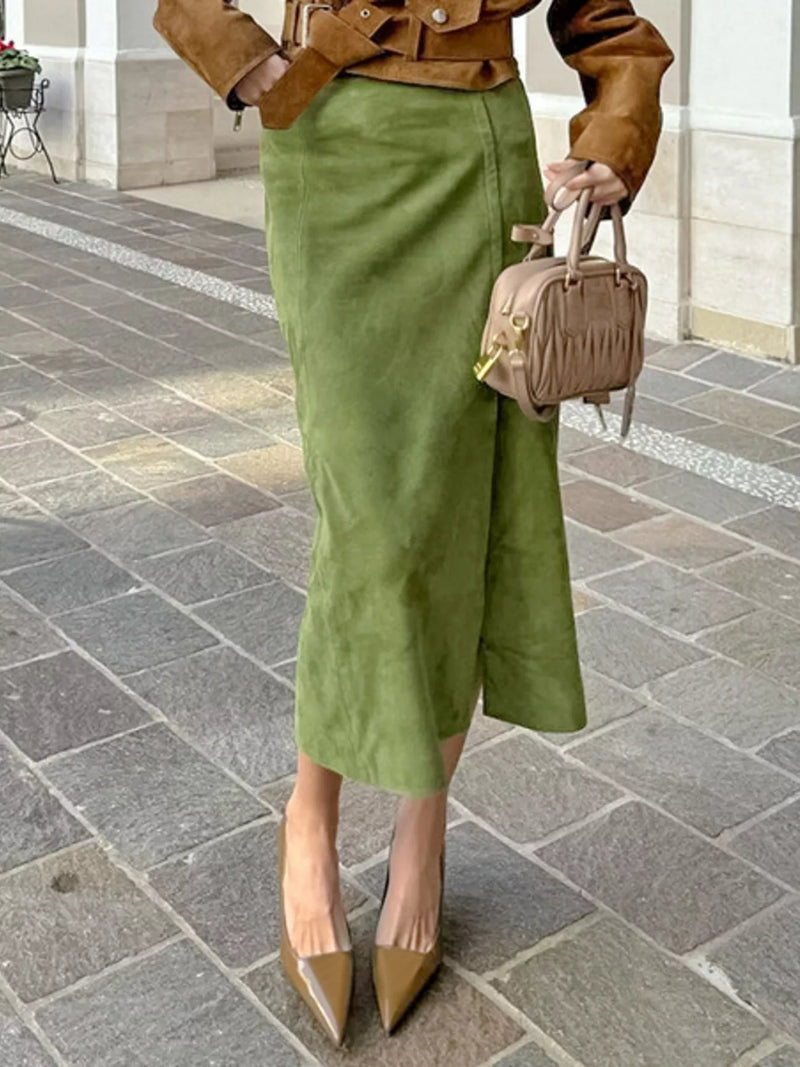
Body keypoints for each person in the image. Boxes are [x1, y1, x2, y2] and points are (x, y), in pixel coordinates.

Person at [154, 0, 673, 1046]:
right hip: (327, 154)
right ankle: (308, 817)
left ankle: (420, 827)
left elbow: (611, 30)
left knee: (458, 505)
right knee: (369, 526)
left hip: (469, 158)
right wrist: (240, 58)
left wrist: (613, 137)